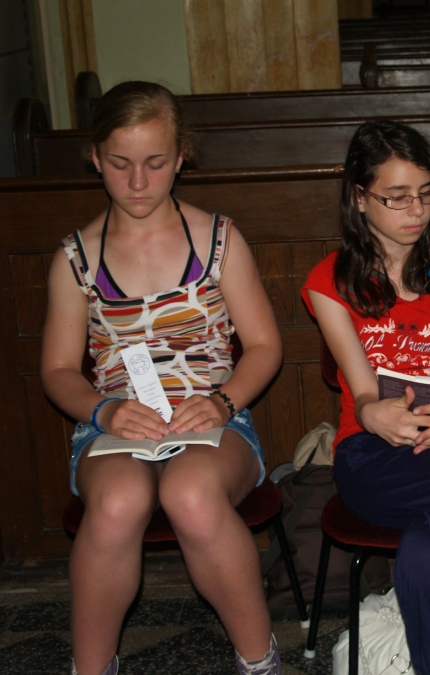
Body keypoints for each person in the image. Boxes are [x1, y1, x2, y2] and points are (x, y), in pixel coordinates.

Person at [40, 81, 283, 675]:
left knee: (190, 494)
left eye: (154, 163)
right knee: (117, 501)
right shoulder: (76, 258)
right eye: (119, 164)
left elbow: (264, 346)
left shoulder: (218, 239)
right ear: (95, 158)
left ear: (180, 158)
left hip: (213, 419)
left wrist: (223, 403)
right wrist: (102, 411)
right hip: (116, 424)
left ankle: (259, 662)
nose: (137, 182)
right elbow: (57, 370)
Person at [302, 120, 430, 675]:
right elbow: (363, 393)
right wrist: (376, 415)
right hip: (373, 453)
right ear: (359, 197)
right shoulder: (329, 281)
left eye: (426, 193)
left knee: (426, 550)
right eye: (396, 197)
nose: (416, 211)